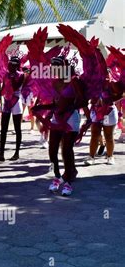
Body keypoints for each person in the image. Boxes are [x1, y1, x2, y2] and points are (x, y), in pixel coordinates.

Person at [47, 56, 86, 196]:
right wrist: (40, 109)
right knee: (52, 150)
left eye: (57, 66)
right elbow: (55, 103)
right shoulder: (55, 82)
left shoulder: (74, 81)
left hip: (71, 118)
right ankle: (57, 177)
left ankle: (68, 182)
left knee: (67, 150)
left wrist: (69, 108)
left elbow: (83, 102)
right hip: (57, 118)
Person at [84, 71, 123, 166]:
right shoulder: (94, 85)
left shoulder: (112, 84)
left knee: (108, 136)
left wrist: (109, 100)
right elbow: (87, 96)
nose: (104, 77)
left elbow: (121, 94)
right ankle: (91, 157)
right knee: (94, 135)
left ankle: (110, 156)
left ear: (110, 75)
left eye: (106, 74)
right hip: (96, 111)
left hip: (108, 112)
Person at [0, 56, 25, 162]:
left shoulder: (21, 75)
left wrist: (11, 76)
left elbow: (15, 86)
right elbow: (4, 85)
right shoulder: (6, 74)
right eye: (9, 64)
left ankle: (16, 153)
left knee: (17, 128)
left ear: (16, 66)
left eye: (11, 65)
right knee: (3, 129)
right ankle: (1, 154)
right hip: (7, 101)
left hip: (16, 101)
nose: (9, 66)